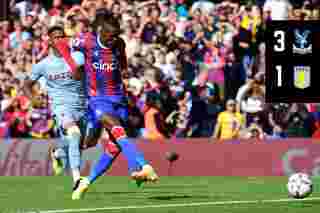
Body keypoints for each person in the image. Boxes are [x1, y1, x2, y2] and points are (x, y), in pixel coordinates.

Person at [54, 11, 159, 200]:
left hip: (119, 100)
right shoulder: (86, 41)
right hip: (98, 100)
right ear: (101, 32)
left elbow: (123, 66)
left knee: (109, 146)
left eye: (116, 37)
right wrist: (73, 66)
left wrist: (124, 79)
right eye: (110, 37)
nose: (113, 41)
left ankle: (85, 181)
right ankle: (143, 165)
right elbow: (59, 43)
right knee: (118, 132)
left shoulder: (119, 43)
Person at [24, 25, 87, 199]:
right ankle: (77, 180)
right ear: (50, 41)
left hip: (81, 105)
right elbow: (26, 84)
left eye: (62, 37)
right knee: (74, 134)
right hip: (60, 107)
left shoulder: (78, 56)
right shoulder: (43, 65)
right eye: (56, 37)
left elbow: (79, 77)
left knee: (80, 144)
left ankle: (58, 152)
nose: (59, 40)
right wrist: (33, 98)